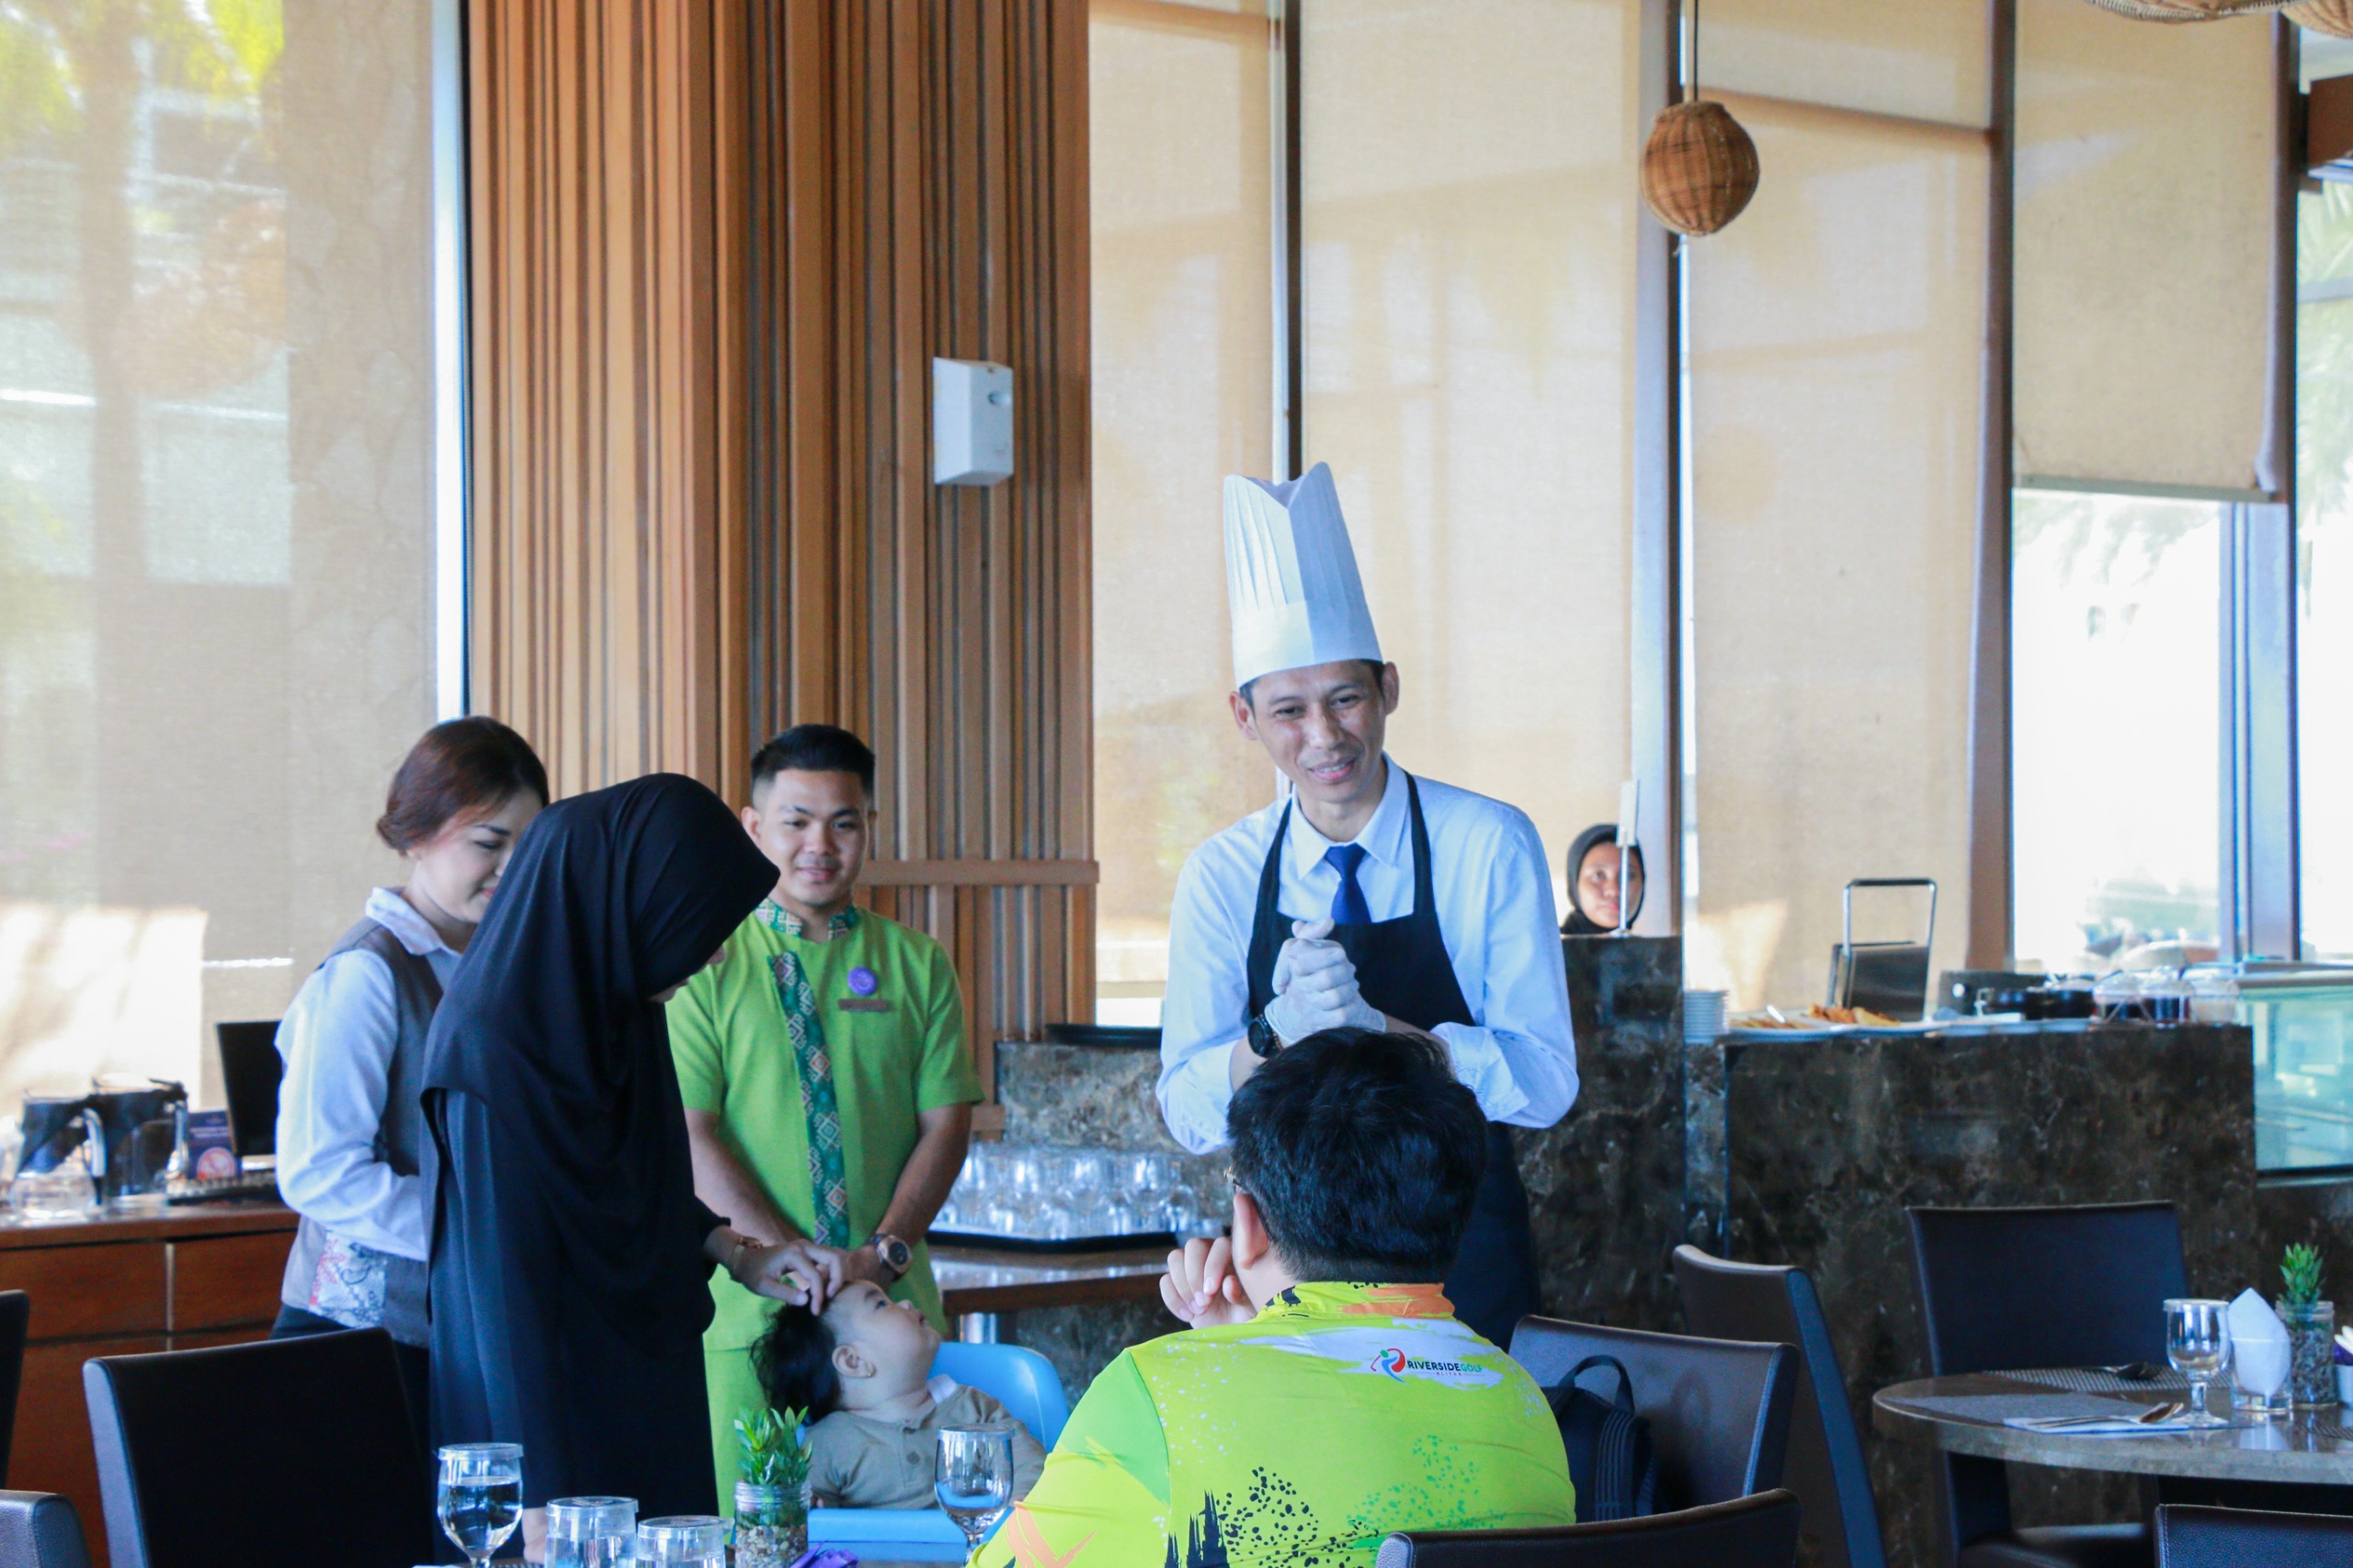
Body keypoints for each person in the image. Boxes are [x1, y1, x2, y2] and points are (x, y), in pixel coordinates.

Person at [1158, 462, 1578, 1348]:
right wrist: (1272, 1033)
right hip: (1285, 1271)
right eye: (1289, 710)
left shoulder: (1488, 844)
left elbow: (1545, 1084)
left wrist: (1385, 1031)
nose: (1324, 737)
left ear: (1388, 686)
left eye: (1346, 698)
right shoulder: (1221, 874)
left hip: (1463, 1258)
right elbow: (1187, 1116)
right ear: (1244, 716)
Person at [979, 1028, 1575, 1567]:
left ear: (1250, 1222)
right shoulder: (1522, 1403)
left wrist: (1225, 1362)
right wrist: (1244, 1344)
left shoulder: (1161, 1395)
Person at [423, 773, 813, 1554]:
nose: (712, 955)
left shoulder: (615, 1008)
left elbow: (628, 1183)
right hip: (543, 1415)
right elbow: (503, 1286)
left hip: (640, 1376)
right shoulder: (490, 1046)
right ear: (627, 901)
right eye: (695, 926)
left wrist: (734, 1249)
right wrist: (536, 1497)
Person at [666, 724, 981, 1506]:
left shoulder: (916, 963)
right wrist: (789, 1259)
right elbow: (691, 1133)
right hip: (747, 1321)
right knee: (753, 1531)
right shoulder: (706, 962)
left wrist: (881, 1255)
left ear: (869, 826)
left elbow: (946, 1125)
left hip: (893, 1322)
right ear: (753, 827)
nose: (820, 844)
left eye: (843, 822)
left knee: (920, 1534)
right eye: (796, 821)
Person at [270, 717, 547, 1433]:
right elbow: (318, 1172)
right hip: (358, 1342)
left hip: (468, 1325)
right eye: (488, 843)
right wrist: (479, 1230)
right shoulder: (368, 972)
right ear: (417, 835)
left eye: (528, 848)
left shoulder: (507, 967)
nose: (510, 868)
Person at [752, 1283, 1045, 1508]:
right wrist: (814, 1505)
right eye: (881, 1304)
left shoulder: (974, 1409)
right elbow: (803, 1516)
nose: (905, 1302)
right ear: (853, 1361)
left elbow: (1027, 1462)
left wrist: (1019, 1502)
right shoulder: (826, 1444)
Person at [1560, 823, 1645, 936]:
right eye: (1598, 876)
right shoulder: (1547, 945)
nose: (1614, 891)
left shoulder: (1657, 946)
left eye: (1627, 876)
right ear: (1575, 883)